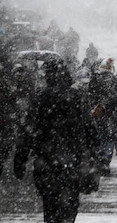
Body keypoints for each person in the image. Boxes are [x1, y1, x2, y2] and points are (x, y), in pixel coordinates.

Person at [13, 59, 100, 223]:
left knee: (50, 203)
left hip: (46, 161)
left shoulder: (40, 99)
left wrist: (20, 159)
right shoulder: (77, 98)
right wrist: (93, 149)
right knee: (70, 202)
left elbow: (28, 131)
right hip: (73, 159)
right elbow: (90, 128)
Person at [89, 57, 116, 175]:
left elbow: (90, 94)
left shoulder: (95, 79)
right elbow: (116, 97)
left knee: (98, 137)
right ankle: (106, 159)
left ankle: (99, 158)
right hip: (110, 114)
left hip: (97, 113)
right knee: (109, 138)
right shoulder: (114, 80)